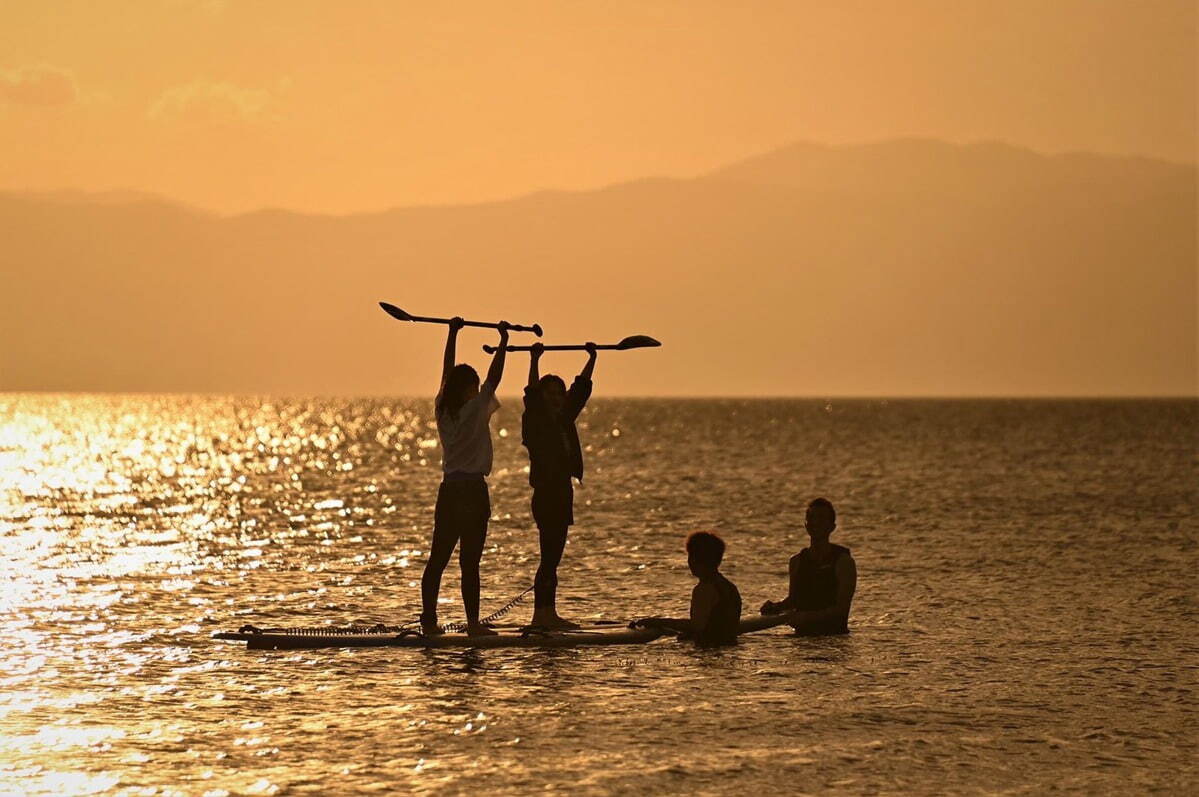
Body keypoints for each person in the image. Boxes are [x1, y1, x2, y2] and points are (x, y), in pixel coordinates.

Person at [419, 317, 510, 636]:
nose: (477, 389)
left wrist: (452, 333)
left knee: (438, 559)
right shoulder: (476, 407)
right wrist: (503, 340)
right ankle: (472, 624)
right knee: (469, 562)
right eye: (473, 385)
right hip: (471, 491)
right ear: (469, 389)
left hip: (449, 491)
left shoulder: (442, 408)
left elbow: (445, 374)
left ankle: (429, 623)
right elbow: (495, 377)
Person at [521, 341, 597, 628]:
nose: (556, 398)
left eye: (558, 393)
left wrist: (592, 357)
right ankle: (542, 615)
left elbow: (580, 391)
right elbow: (531, 395)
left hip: (563, 493)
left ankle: (547, 612)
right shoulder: (535, 420)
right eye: (550, 393)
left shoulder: (565, 419)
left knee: (554, 558)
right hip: (546, 495)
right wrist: (534, 359)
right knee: (549, 557)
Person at [760, 497, 857, 635]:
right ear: (806, 525)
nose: (815, 522)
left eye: (821, 518)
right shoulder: (796, 561)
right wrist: (776, 607)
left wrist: (807, 617)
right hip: (801, 640)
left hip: (833, 638)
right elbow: (793, 600)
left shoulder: (844, 562)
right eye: (811, 518)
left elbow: (841, 609)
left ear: (832, 527)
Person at [634, 532, 742, 646]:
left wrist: (656, 622)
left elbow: (697, 626)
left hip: (708, 650)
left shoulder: (704, 589)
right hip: (729, 647)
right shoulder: (730, 587)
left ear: (694, 559)